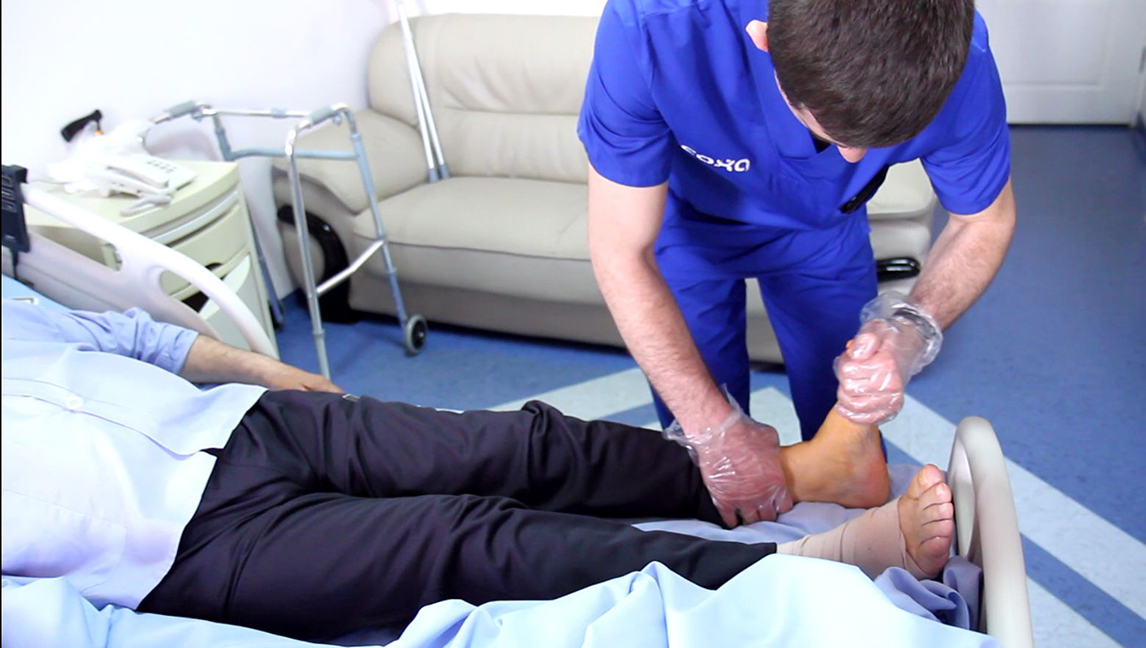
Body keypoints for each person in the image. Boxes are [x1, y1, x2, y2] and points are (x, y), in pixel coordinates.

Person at [1, 300, 954, 641]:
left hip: (245, 423)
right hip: (184, 547)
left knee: (514, 444)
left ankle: (796, 473)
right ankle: (801, 566)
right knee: (461, 537)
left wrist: (273, 375)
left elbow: (129, 335)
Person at [578, 0, 1016, 524]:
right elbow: (621, 250)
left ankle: (849, 536)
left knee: (848, 410)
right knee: (703, 449)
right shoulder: (653, 26)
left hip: (825, 226)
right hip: (685, 228)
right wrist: (712, 429)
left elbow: (983, 221)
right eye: (832, 131)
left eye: (880, 142)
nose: (854, 158)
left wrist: (913, 327)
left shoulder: (957, 55)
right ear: (764, 40)